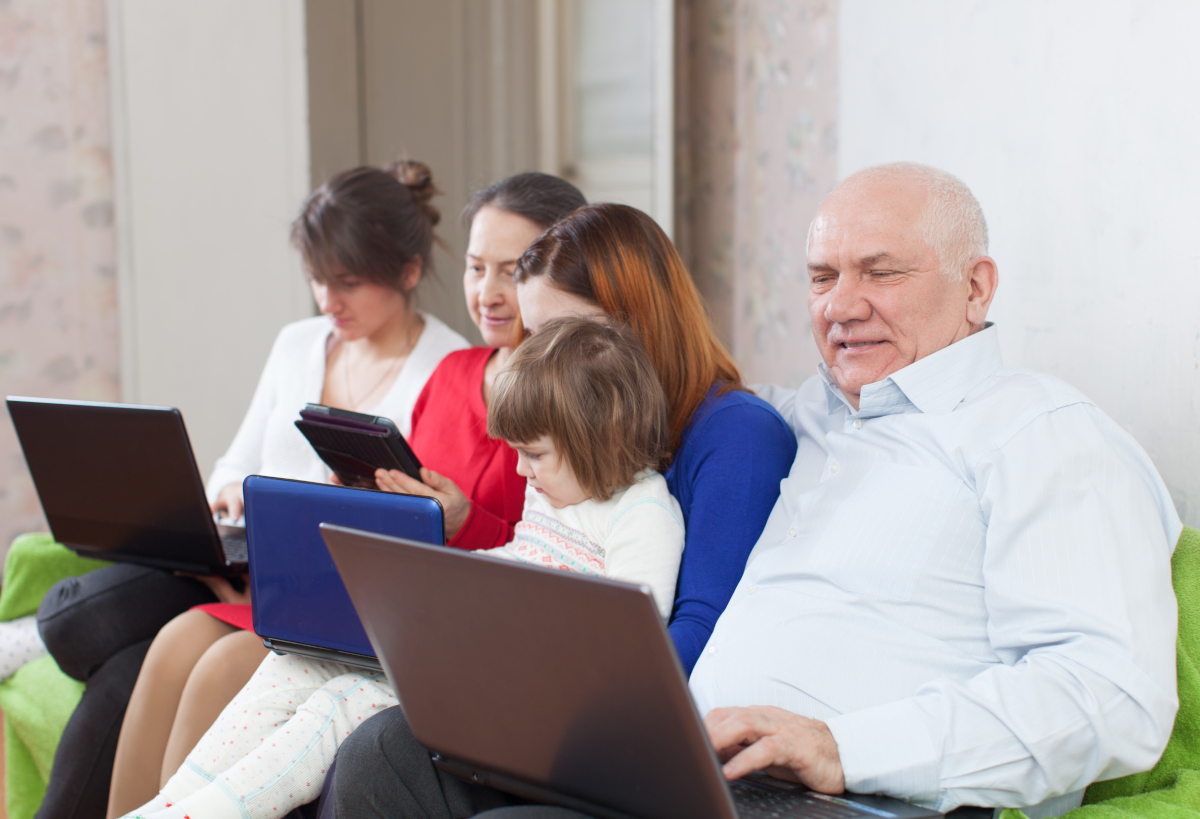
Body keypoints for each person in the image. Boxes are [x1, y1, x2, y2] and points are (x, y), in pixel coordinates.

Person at [432, 162, 1181, 819]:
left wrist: (845, 748)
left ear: (975, 287)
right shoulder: (806, 418)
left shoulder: (1039, 432)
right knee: (399, 753)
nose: (841, 305)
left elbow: (1113, 698)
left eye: (880, 272)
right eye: (823, 277)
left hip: (861, 796)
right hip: (700, 772)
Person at [101, 172, 588, 819]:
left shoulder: (565, 395)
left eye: (512, 270)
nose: (488, 292)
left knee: (222, 666)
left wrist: (460, 519)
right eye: (476, 268)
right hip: (372, 599)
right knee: (176, 643)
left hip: (434, 626)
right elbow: (407, 519)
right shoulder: (454, 373)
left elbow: (547, 551)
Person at [325, 202, 799, 816]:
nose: (541, 356)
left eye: (558, 333)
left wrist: (537, 702)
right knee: (376, 748)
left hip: (627, 732)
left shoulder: (738, 435)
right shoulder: (577, 443)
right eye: (533, 335)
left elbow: (699, 635)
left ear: (634, 321)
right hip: (547, 697)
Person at [32, 160, 471, 819]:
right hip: (253, 570)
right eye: (319, 280)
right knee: (158, 639)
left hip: (328, 602)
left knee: (163, 657)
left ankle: (28, 637)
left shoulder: (445, 366)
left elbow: (414, 530)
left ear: (407, 273)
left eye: (348, 282)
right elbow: (232, 466)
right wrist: (231, 493)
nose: (329, 301)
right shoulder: (298, 345)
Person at [117, 317, 686, 819]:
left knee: (341, 706)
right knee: (289, 667)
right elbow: (518, 564)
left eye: (532, 454)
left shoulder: (644, 515)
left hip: (511, 698)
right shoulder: (557, 489)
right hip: (458, 652)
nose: (520, 470)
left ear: (605, 438)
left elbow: (622, 649)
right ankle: (165, 806)